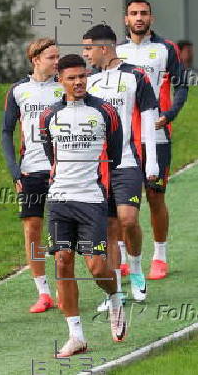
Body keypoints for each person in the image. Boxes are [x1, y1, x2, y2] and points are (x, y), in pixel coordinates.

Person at [40, 54, 126, 357]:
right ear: (59, 79)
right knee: (62, 260)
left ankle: (115, 299)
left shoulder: (105, 112)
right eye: (71, 78)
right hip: (60, 199)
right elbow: (50, 153)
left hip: (91, 199)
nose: (78, 82)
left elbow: (114, 155)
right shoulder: (49, 115)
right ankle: (76, 335)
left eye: (82, 76)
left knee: (96, 266)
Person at [82, 24, 158, 307]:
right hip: (97, 168)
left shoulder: (136, 75)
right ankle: (115, 291)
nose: (85, 54)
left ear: (104, 48)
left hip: (126, 161)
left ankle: (137, 271)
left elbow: (149, 114)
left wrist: (151, 160)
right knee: (110, 228)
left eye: (88, 48)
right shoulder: (87, 81)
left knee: (129, 220)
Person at [117, 0, 188, 280]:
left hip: (156, 137)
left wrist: (169, 114)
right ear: (126, 19)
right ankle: (122, 257)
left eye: (143, 13)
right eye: (133, 13)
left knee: (155, 196)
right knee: (121, 200)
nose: (138, 18)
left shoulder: (165, 48)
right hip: (123, 140)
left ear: (151, 18)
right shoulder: (116, 51)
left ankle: (160, 257)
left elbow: (181, 85)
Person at [2, 38, 63, 313]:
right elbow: (5, 131)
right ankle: (43, 292)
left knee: (62, 229)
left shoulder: (63, 87)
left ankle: (65, 289)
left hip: (62, 170)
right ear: (36, 59)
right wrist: (15, 170)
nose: (56, 61)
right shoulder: (18, 91)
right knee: (32, 229)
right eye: (51, 57)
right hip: (30, 170)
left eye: (57, 56)